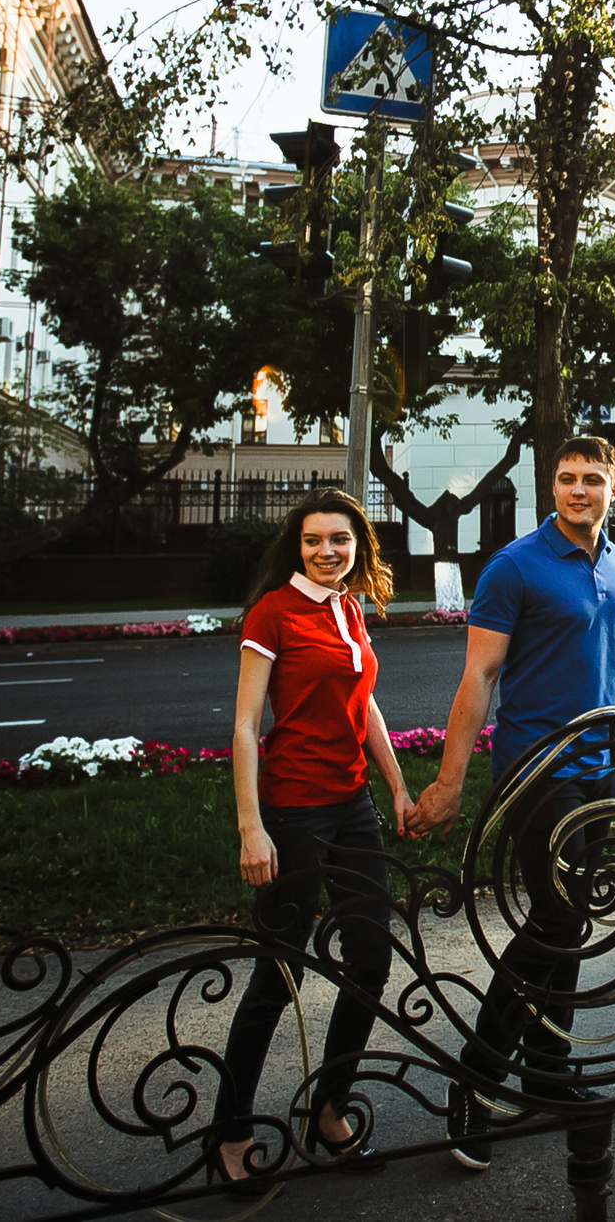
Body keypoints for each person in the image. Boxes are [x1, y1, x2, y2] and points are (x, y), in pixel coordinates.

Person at [408, 435, 615, 1171]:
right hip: (535, 769)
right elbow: (479, 677)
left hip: (596, 769)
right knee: (556, 916)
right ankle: (475, 1082)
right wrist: (451, 783)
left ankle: (545, 1071)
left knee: (574, 922)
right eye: (565, 478)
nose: (578, 490)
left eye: (592, 479)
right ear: (550, 486)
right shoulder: (513, 567)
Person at [211, 488, 409, 1192]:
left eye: (341, 540)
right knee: (278, 974)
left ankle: (329, 1107)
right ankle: (231, 1133)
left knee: (371, 959)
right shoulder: (275, 612)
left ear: (359, 545)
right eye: (314, 540)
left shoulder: (348, 607)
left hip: (351, 803)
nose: (328, 551)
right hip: (292, 810)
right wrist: (250, 825)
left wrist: (395, 785)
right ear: (296, 546)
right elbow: (243, 725)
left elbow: (366, 705)